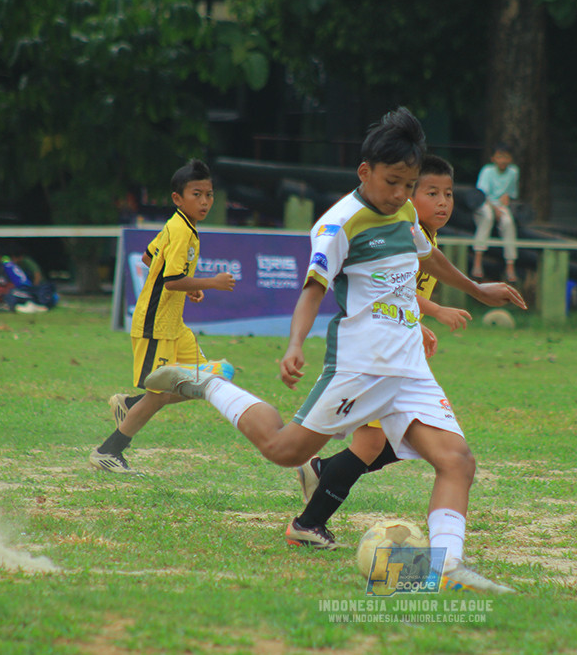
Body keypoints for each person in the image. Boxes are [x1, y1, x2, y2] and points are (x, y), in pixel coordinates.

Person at [144, 108, 527, 593]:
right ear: (364, 172)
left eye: (409, 185)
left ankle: (445, 570)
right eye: (392, 182)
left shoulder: (406, 210)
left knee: (458, 461)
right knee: (284, 451)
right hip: (359, 366)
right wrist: (295, 344)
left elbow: (426, 254)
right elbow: (312, 290)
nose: (400, 195)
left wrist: (475, 288)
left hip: (407, 367)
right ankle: (207, 382)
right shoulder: (338, 225)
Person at [285, 153, 471, 550]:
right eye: (431, 192)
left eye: (449, 194)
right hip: (372, 358)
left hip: (400, 357)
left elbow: (396, 293)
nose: (442, 202)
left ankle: (319, 481)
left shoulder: (416, 231)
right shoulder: (376, 223)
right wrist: (433, 312)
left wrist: (417, 322)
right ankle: (310, 513)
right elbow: (383, 290)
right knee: (366, 446)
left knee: (413, 448)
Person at [88, 158, 236, 474]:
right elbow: (170, 280)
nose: (205, 201)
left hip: (174, 326)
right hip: (156, 326)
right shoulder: (180, 230)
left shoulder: (178, 226)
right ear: (177, 198)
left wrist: (188, 287)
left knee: (209, 379)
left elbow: (148, 256)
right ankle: (108, 451)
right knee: (157, 397)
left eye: (209, 194)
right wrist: (210, 282)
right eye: (197, 194)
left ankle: (129, 404)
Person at [471, 143, 520, 283]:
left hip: (500, 205)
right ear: (493, 158)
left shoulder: (514, 172)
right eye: (499, 157)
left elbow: (511, 194)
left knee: (508, 222)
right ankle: (477, 263)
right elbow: (482, 195)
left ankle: (510, 267)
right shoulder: (487, 171)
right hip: (485, 204)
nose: (503, 160)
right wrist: (494, 208)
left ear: (510, 159)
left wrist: (507, 198)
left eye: (506, 157)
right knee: (487, 216)